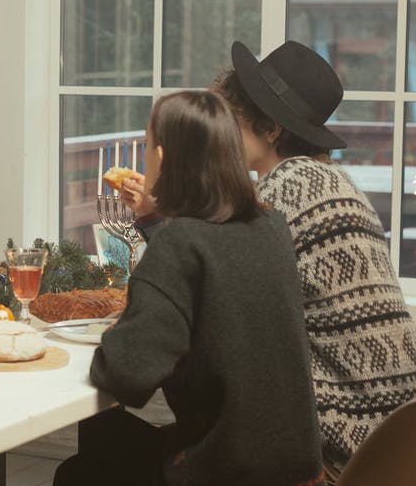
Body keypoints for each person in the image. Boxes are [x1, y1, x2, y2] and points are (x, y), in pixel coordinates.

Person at [55, 90, 324, 486]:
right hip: (298, 471)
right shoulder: (272, 227)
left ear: (161, 159)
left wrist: (118, 332)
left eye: (147, 146)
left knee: (79, 473)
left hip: (230, 473)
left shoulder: (181, 243)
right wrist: (151, 218)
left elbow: (127, 376)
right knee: (106, 439)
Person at [210, 40, 416, 472]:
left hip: (345, 450)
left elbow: (214, 293)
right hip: (404, 441)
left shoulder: (286, 190)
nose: (221, 134)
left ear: (271, 128)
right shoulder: (335, 182)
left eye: (231, 120)